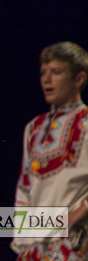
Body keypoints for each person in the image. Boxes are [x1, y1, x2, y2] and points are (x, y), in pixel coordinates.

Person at [12, 42, 88, 260]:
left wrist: (79, 213)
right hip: (34, 246)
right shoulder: (33, 128)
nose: (46, 79)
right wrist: (22, 240)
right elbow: (25, 186)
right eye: (43, 72)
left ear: (78, 79)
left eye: (56, 72)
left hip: (74, 243)